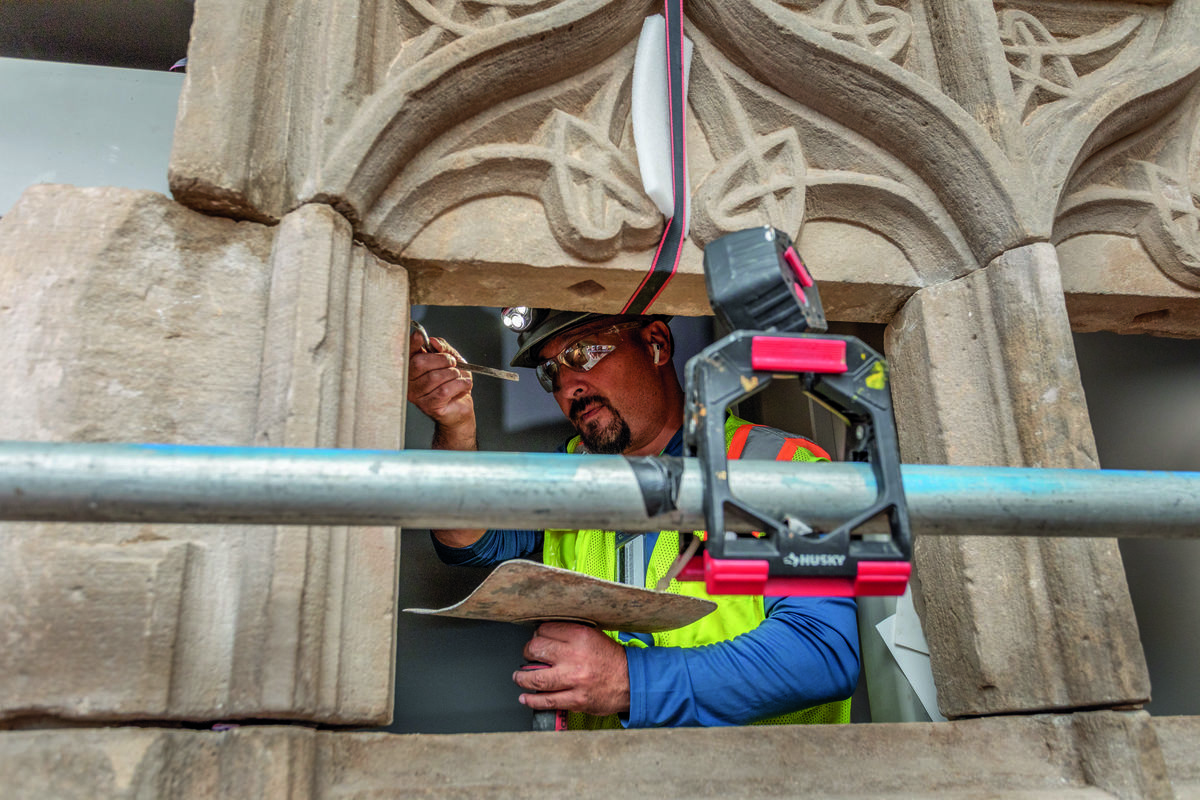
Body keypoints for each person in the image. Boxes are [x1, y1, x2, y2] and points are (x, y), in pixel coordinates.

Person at [407, 309, 860, 729]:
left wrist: (629, 681)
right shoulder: (569, 471)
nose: (568, 387)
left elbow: (821, 653)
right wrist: (454, 426)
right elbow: (465, 539)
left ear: (657, 343)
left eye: (582, 353)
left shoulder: (780, 465)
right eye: (552, 372)